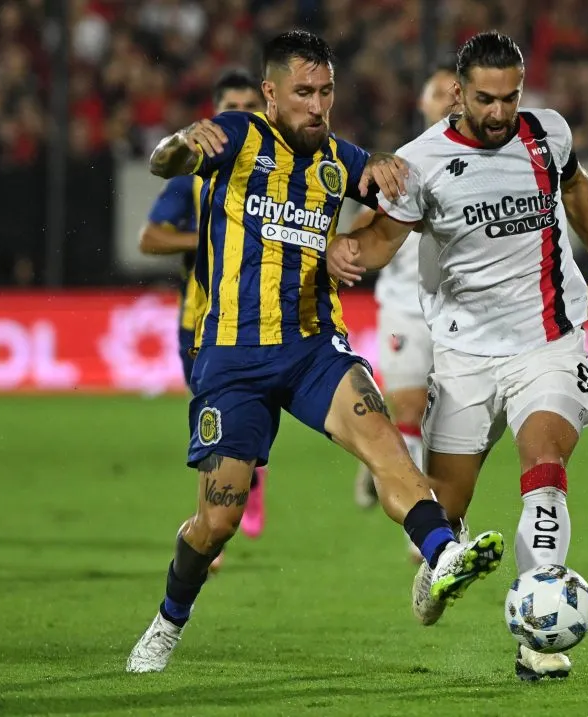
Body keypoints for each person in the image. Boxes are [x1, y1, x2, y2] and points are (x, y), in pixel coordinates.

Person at [126, 30, 504, 674]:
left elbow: (386, 185)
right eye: (303, 92)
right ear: (271, 94)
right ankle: (168, 619)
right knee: (215, 523)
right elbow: (165, 164)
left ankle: (441, 556)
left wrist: (384, 167)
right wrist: (179, 142)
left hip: (311, 349)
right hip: (233, 359)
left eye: (326, 91)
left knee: (384, 440)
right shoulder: (238, 136)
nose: (317, 105)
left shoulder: (335, 157)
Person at [327, 31, 588, 681]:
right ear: (458, 94)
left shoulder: (546, 134)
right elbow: (378, 241)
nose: (498, 112)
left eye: (509, 97)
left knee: (545, 461)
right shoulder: (421, 161)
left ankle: (539, 634)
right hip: (462, 357)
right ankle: (439, 562)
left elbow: (576, 188)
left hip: (547, 340)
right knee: (445, 507)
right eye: (485, 99)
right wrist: (340, 252)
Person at [139, 70, 265, 570]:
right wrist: (211, 238)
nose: (240, 112)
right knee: (215, 422)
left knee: (243, 420)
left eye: (249, 104)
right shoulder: (194, 176)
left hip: (261, 319)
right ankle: (227, 503)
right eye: (230, 104)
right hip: (202, 321)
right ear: (215, 114)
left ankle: (246, 483)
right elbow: (149, 239)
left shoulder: (281, 170)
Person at [348, 64, 460, 561]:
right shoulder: (405, 164)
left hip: (459, 308)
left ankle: (384, 463)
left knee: (449, 422)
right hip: (403, 307)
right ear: (422, 106)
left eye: (455, 92)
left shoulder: (480, 161)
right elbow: (363, 223)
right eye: (438, 93)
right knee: (411, 408)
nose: (449, 100)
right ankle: (425, 521)